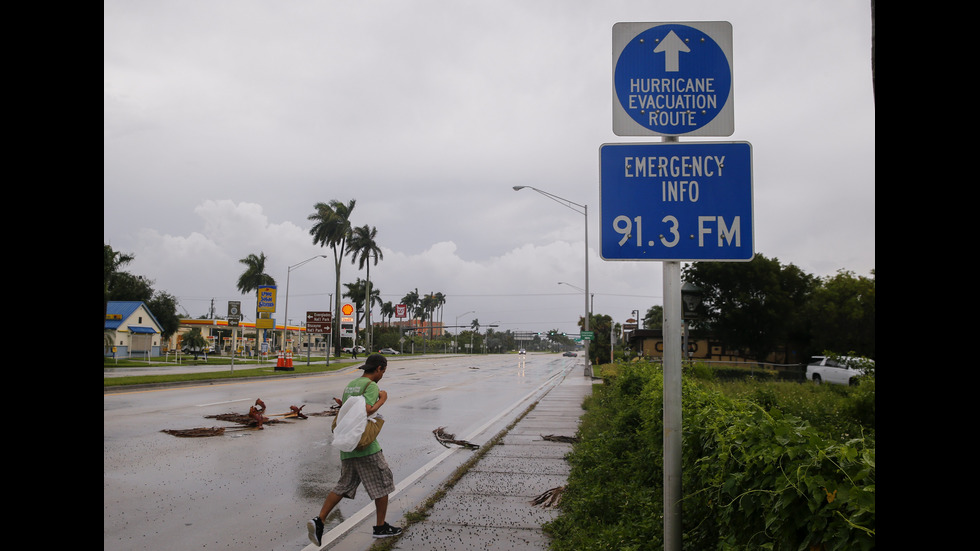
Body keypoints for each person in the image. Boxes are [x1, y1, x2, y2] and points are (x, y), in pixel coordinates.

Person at [307, 354, 402, 545]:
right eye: (383, 371)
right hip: (365, 446)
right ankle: (380, 526)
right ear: (379, 369)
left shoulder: (351, 384)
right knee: (383, 483)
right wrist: (382, 399)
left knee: (343, 485)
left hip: (348, 444)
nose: (382, 375)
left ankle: (320, 520)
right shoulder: (372, 386)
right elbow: (366, 409)